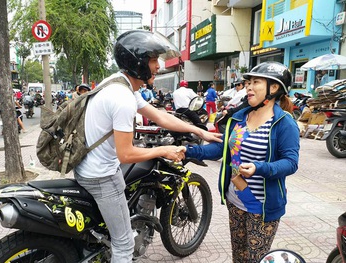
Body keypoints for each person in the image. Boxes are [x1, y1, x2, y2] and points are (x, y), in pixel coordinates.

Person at [74, 30, 222, 263]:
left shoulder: (118, 84)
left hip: (87, 166)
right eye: (153, 60)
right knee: (123, 246)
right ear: (138, 62)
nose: (158, 66)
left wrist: (200, 130)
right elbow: (126, 153)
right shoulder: (122, 99)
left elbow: (160, 116)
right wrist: (164, 150)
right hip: (101, 176)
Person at [184, 61, 300, 262]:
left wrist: (258, 168)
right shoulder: (239, 118)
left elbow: (291, 162)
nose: (248, 86)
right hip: (235, 200)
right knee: (239, 257)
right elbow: (222, 150)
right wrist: (188, 151)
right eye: (248, 82)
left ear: (273, 88)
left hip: (262, 208)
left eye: (256, 82)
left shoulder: (283, 123)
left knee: (255, 259)